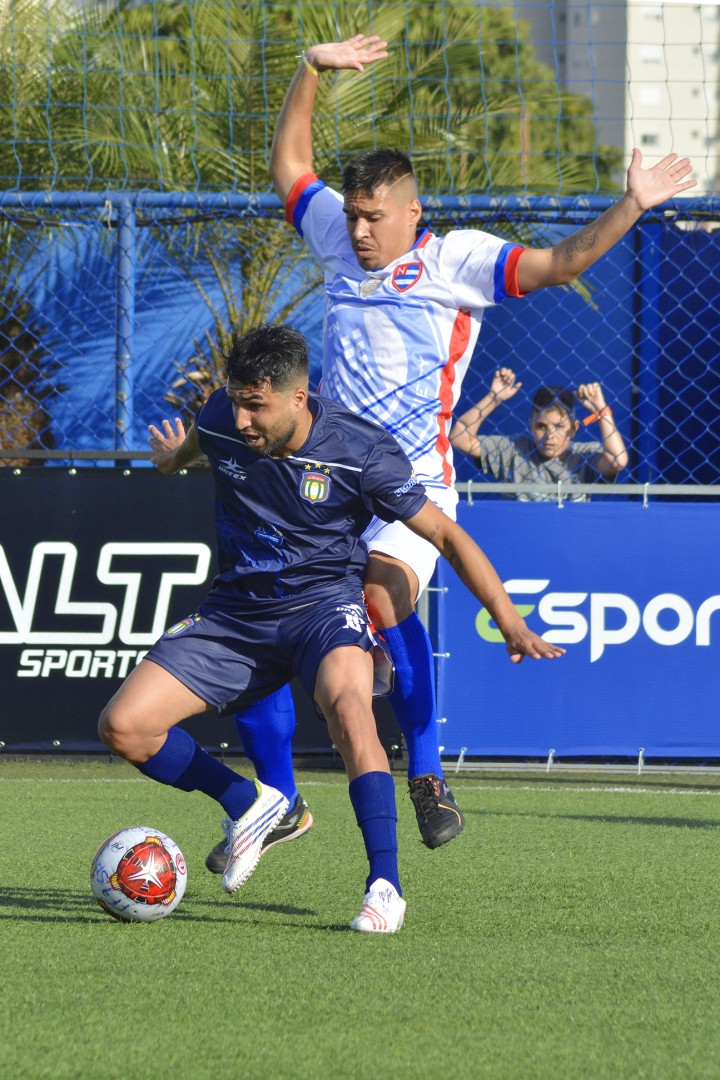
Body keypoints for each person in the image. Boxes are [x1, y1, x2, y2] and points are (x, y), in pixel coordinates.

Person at [212, 31, 695, 866]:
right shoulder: (335, 234)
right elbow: (291, 165)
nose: (359, 230)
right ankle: (278, 801)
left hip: (411, 483)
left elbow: (557, 262)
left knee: (384, 601)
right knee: (264, 623)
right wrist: (309, 72)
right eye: (353, 215)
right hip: (319, 479)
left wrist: (633, 205)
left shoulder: (458, 260)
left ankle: (427, 773)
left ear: (412, 213)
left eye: (374, 217)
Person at [97, 323, 564, 933]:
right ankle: (256, 805)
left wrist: (509, 621)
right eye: (236, 400)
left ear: (298, 396)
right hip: (236, 614)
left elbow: (445, 535)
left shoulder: (361, 449)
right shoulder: (221, 416)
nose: (241, 419)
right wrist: (170, 461)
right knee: (123, 726)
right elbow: (197, 443)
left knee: (350, 707)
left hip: (324, 608)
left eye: (255, 406)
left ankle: (384, 886)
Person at [449, 368, 629, 499]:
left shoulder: (583, 455)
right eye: (541, 426)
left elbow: (617, 461)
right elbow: (459, 438)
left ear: (574, 429)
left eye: (559, 427)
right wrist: (494, 398)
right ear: (531, 426)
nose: (549, 436)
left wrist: (600, 411)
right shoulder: (513, 449)